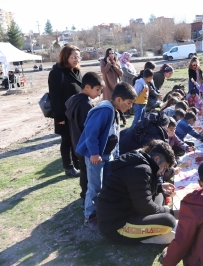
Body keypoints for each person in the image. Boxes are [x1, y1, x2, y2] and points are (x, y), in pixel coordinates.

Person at [76, 82, 137, 230]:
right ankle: (89, 216)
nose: (130, 107)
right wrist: (94, 153)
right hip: (96, 157)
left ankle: (102, 212)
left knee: (106, 185)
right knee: (95, 187)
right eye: (128, 103)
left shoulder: (115, 111)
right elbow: (91, 132)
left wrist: (116, 155)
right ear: (119, 99)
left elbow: (114, 135)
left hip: (108, 155)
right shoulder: (105, 110)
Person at [97, 140, 177, 244]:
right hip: (116, 226)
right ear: (157, 159)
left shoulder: (140, 162)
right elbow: (145, 207)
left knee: (159, 196)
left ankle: (150, 226)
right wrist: (174, 213)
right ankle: (147, 237)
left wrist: (160, 187)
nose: (163, 171)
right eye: (164, 167)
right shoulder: (141, 169)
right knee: (169, 220)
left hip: (128, 211)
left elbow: (138, 189)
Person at [65, 72, 104, 206]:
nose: (99, 94)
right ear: (87, 87)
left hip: (77, 143)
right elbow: (89, 129)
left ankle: (84, 194)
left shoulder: (73, 99)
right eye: (97, 90)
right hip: (86, 146)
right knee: (88, 174)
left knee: (83, 171)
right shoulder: (86, 105)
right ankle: (87, 198)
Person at [48, 45, 83, 177]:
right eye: (74, 57)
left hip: (78, 114)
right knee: (67, 141)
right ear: (65, 57)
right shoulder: (56, 73)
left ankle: (78, 163)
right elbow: (54, 97)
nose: (77, 59)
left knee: (77, 140)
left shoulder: (77, 71)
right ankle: (68, 167)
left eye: (78, 57)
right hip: (64, 114)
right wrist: (60, 117)